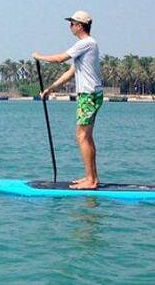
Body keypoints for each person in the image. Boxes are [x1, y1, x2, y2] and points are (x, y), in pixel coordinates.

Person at [32, 10, 104, 190]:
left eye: (71, 23)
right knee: (85, 136)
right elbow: (70, 73)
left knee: (82, 136)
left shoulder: (86, 43)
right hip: (89, 95)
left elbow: (59, 59)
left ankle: (92, 181)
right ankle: (91, 177)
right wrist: (50, 89)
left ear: (79, 25)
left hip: (89, 95)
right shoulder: (86, 47)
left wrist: (39, 56)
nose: (70, 26)